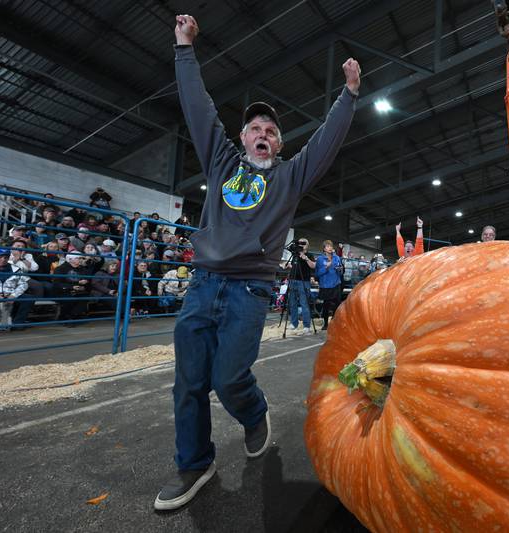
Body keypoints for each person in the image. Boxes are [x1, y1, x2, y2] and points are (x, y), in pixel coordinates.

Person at [153, 13, 359, 511]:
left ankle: (255, 411)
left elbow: (325, 145)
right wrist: (184, 48)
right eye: (255, 128)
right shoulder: (221, 162)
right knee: (189, 382)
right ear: (243, 139)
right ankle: (195, 464)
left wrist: (348, 96)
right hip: (203, 285)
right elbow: (198, 108)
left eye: (271, 130)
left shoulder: (289, 178)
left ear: (278, 144)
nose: (262, 134)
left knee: (228, 377)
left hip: (249, 291)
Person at [0, 248, 30, 329]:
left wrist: (13, 295)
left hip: (9, 295)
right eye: (0, 257)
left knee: (28, 299)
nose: (3, 259)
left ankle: (17, 324)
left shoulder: (16, 268)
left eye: (6, 257)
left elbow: (24, 284)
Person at [287, 238, 317, 333]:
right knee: (292, 303)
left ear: (307, 245)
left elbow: (313, 266)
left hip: (304, 281)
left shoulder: (309, 255)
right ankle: (293, 323)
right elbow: (294, 266)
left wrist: (306, 258)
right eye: (300, 243)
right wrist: (288, 265)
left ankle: (306, 325)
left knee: (304, 303)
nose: (301, 245)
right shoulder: (295, 255)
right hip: (293, 280)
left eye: (303, 243)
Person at [52, 253, 90, 324]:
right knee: (68, 298)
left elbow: (88, 280)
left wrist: (85, 283)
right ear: (70, 260)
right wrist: (71, 287)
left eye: (81, 258)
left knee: (85, 297)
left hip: (79, 290)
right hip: (63, 291)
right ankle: (64, 318)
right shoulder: (60, 268)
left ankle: (72, 316)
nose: (81, 260)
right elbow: (57, 283)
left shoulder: (82, 269)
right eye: (78, 258)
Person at [315, 240, 343, 330]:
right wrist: (326, 268)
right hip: (326, 285)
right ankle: (326, 324)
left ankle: (334, 321)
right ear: (324, 249)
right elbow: (317, 274)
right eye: (327, 246)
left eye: (331, 246)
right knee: (326, 305)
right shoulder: (320, 259)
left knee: (337, 304)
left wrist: (340, 269)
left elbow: (341, 272)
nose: (330, 248)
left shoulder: (337, 258)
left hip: (336, 284)